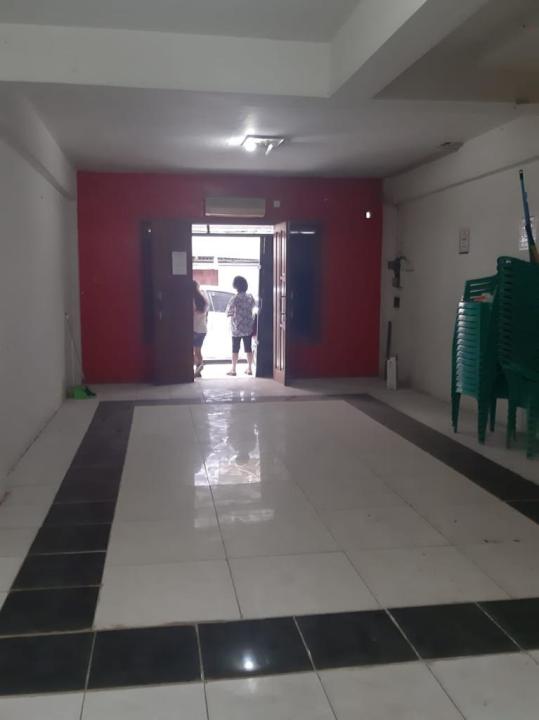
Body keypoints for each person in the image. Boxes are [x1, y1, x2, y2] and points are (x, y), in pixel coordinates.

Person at [226, 275, 256, 376]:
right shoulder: (250, 297)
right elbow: (254, 307)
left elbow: (229, 312)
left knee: (235, 348)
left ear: (236, 286)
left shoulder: (234, 298)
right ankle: (250, 368)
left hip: (237, 327)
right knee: (248, 348)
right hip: (248, 326)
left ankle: (233, 369)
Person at [193, 281, 209, 378]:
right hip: (203, 329)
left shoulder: (191, 300)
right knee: (198, 350)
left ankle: (196, 369)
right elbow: (206, 315)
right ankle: (198, 369)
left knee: (192, 351)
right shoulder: (204, 299)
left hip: (194, 328)